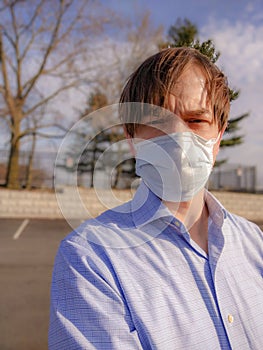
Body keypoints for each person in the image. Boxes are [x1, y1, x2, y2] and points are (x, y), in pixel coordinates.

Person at [49, 47, 263, 349]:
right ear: (131, 138)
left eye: (196, 120)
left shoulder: (254, 243)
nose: (177, 138)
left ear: (219, 136)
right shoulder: (90, 259)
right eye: (158, 122)